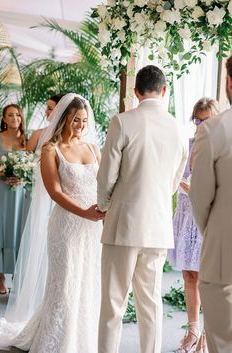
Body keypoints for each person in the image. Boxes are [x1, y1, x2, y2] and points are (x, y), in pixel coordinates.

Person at [0, 94, 105, 352]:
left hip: (92, 227)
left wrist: (103, 210)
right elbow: (54, 192)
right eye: (75, 119)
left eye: (84, 120)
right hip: (67, 224)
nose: (80, 124)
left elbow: (104, 183)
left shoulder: (93, 148)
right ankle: (58, 341)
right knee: (65, 283)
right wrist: (84, 212)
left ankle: (82, 340)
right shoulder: (50, 149)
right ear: (64, 118)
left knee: (86, 282)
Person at [97, 65, 188, 353]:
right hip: (158, 226)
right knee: (150, 303)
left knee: (114, 303)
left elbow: (106, 176)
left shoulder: (122, 122)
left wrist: (104, 207)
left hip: (123, 225)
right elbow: (175, 180)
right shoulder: (178, 128)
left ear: (135, 92)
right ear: (164, 90)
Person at [168, 98, 219, 353]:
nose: (200, 125)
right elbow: (174, 175)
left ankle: (208, 337)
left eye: (205, 120)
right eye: (197, 120)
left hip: (210, 221)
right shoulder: (187, 147)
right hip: (187, 218)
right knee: (190, 275)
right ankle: (192, 331)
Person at [189, 57, 232, 353]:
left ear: (229, 83)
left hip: (223, 257)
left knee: (223, 343)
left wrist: (214, 233)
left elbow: (200, 199)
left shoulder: (214, 130)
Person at [0, 104, 27, 294]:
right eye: (10, 115)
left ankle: (18, 275)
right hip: (0, 190)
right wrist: (1, 174)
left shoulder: (28, 139)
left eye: (17, 114)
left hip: (20, 194)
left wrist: (23, 176)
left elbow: (35, 163)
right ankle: (1, 279)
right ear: (4, 118)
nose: (15, 117)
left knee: (18, 232)